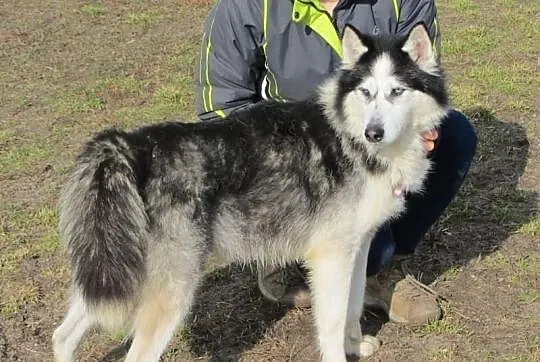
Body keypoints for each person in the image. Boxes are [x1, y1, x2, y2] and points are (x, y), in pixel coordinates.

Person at [194, 0, 477, 326]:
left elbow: (423, 83)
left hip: (370, 138)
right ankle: (284, 258)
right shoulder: (243, 7)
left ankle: (382, 268)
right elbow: (221, 110)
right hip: (290, 157)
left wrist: (423, 132)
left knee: (455, 136)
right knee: (353, 243)